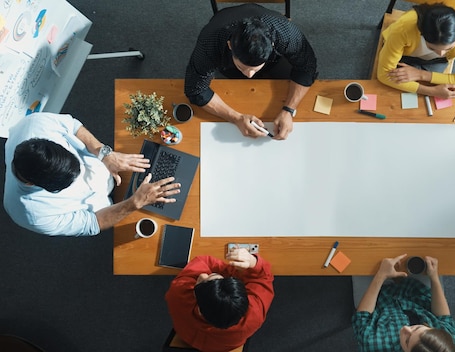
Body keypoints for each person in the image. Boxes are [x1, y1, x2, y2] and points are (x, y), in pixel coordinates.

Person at [3, 112, 181, 236]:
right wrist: (134, 203)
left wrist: (105, 154)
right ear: (33, 184)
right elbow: (93, 223)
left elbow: (73, 126)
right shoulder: (32, 215)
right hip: (106, 207)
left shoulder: (36, 123)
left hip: (106, 165)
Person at [184, 3, 318, 140]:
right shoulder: (210, 42)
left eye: (254, 69)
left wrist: (289, 110)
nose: (249, 76)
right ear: (230, 45)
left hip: (274, 61)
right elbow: (195, 89)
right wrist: (236, 118)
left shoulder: (284, 32)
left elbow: (307, 66)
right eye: (243, 67)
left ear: (272, 45)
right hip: (227, 64)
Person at [165, 248, 274, 352]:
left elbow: (203, 261)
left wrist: (226, 272)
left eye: (205, 279)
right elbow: (264, 277)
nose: (203, 275)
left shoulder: (178, 295)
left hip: (187, 336)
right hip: (226, 345)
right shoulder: (254, 315)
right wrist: (251, 262)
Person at [353, 254, 455, 352]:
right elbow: (444, 317)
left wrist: (381, 275)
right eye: (417, 328)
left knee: (359, 259)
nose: (405, 328)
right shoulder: (450, 344)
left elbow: (362, 316)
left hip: (377, 296)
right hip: (417, 291)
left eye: (407, 341)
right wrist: (434, 277)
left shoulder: (373, 345)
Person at [377, 3, 455, 99]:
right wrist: (431, 91)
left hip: (435, 62)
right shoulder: (404, 28)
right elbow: (383, 74)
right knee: (394, 90)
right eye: (431, 48)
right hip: (404, 54)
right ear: (422, 33)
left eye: (448, 48)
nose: (440, 53)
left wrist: (421, 74)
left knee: (413, 86)